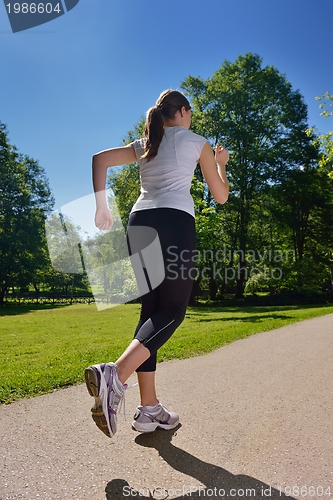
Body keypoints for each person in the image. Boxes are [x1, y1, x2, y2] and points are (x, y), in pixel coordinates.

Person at [85, 89, 229, 438]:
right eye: (190, 114)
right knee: (174, 310)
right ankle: (114, 375)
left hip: (140, 223)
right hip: (175, 222)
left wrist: (102, 207)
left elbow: (99, 160)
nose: (191, 119)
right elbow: (221, 196)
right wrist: (221, 165)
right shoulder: (199, 142)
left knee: (150, 314)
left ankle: (149, 410)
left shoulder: (147, 143)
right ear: (181, 112)